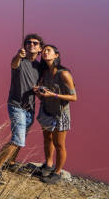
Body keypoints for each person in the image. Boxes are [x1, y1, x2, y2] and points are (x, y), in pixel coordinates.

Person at [0, 33, 43, 183]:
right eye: (28, 42)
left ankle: (10, 163)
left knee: (21, 137)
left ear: (40, 49)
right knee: (18, 140)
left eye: (35, 43)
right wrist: (18, 56)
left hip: (30, 107)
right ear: (24, 46)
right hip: (16, 105)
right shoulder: (20, 61)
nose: (31, 45)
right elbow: (13, 63)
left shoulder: (39, 68)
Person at [33, 44, 77, 184]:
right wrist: (39, 93)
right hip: (47, 110)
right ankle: (48, 165)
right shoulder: (45, 73)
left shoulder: (63, 74)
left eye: (48, 51)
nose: (45, 52)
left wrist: (54, 95)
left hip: (60, 113)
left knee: (59, 144)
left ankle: (57, 173)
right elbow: (45, 95)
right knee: (47, 139)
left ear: (56, 55)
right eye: (44, 51)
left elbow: (74, 97)